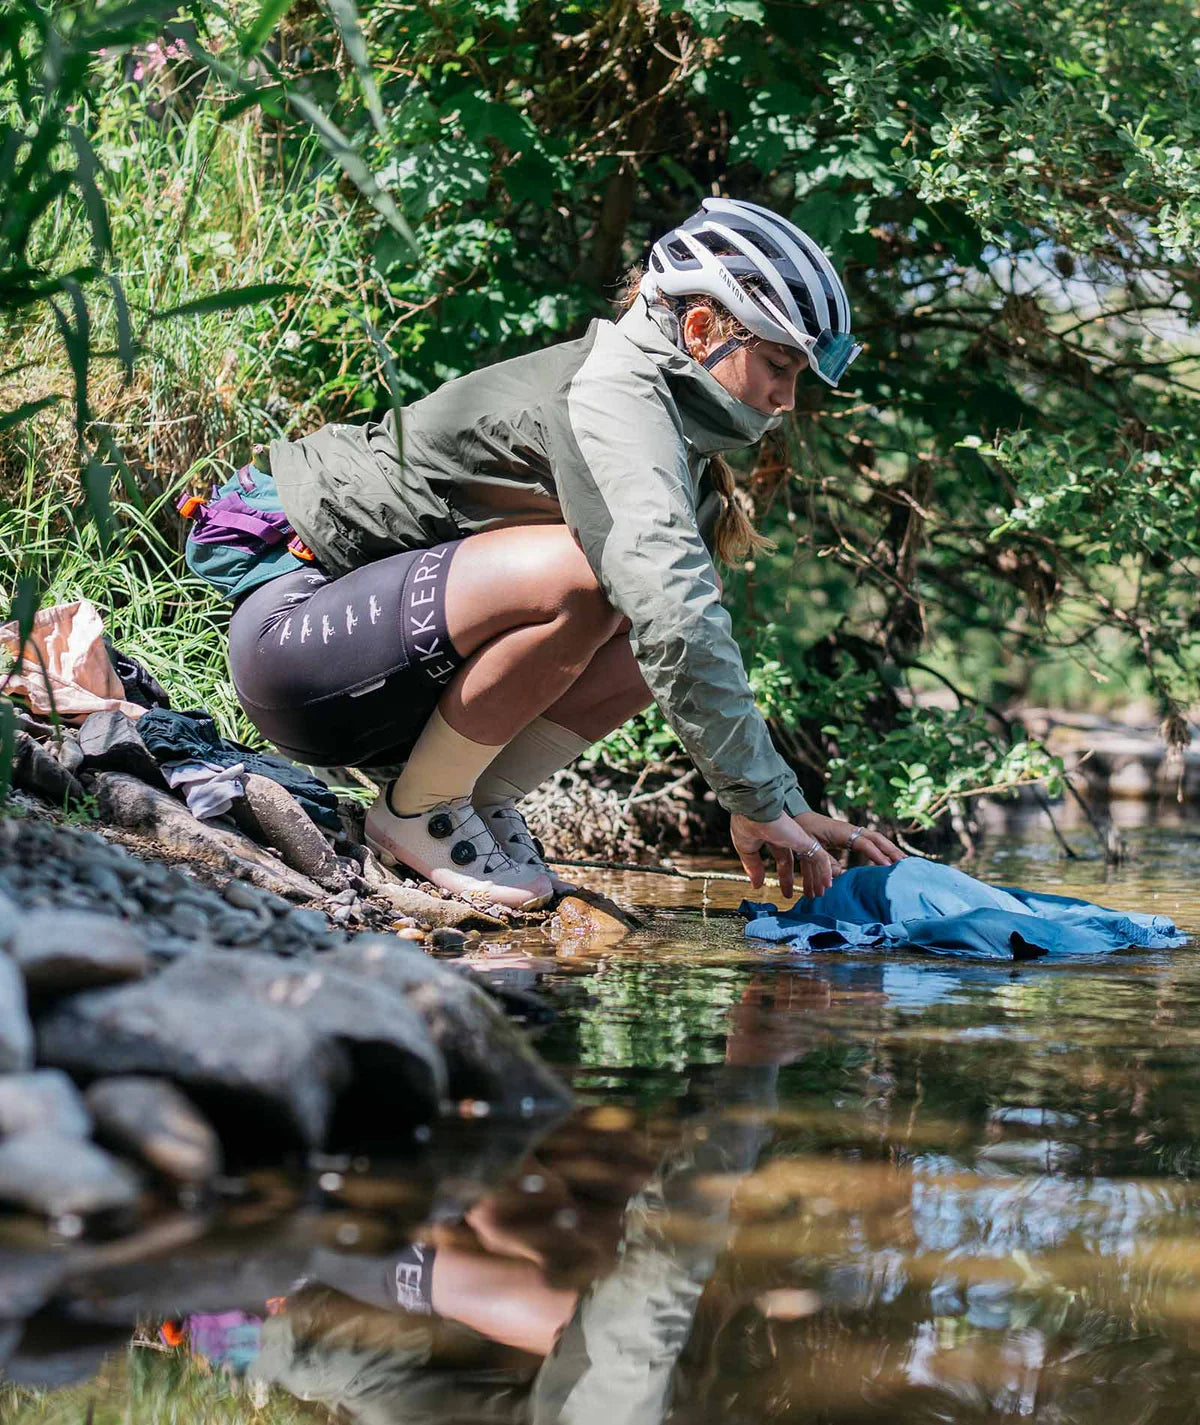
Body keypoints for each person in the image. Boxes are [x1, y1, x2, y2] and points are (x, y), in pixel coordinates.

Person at [227, 197, 905, 909]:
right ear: (701, 329)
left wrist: (784, 807)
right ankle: (418, 810)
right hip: (293, 643)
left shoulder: (673, 428)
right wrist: (757, 797)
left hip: (368, 674)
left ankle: (470, 802)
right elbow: (674, 611)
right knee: (598, 583)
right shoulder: (618, 393)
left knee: (643, 626)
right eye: (779, 364)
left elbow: (678, 632)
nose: (787, 398)